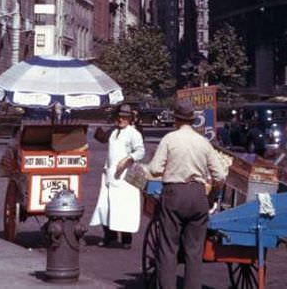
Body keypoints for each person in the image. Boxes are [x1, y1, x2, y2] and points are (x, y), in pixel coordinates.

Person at [147, 100, 227, 289]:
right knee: (194, 251)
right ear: (192, 120)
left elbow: (154, 169)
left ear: (176, 119)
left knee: (168, 249)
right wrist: (211, 190)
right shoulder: (203, 142)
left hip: (174, 194)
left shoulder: (169, 139)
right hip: (198, 195)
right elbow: (220, 176)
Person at [89, 102, 145, 249]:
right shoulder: (114, 131)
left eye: (125, 117)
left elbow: (140, 151)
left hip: (125, 176)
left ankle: (126, 239)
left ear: (130, 118)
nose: (121, 120)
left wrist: (128, 158)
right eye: (119, 117)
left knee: (124, 207)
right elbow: (103, 138)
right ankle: (110, 236)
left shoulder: (134, 133)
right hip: (109, 174)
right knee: (106, 206)